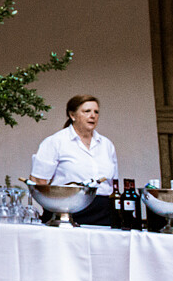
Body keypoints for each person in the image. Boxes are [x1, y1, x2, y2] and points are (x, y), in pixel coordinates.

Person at [31, 95, 117, 226]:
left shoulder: (107, 145)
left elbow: (113, 184)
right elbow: (38, 181)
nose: (93, 115)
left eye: (96, 112)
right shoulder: (56, 142)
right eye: (87, 111)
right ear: (72, 115)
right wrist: (57, 209)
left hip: (103, 214)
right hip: (66, 212)